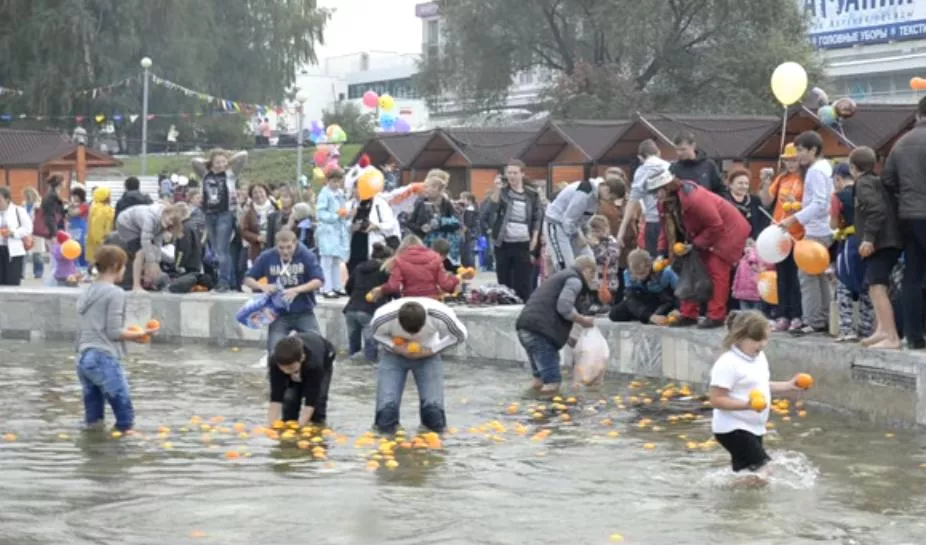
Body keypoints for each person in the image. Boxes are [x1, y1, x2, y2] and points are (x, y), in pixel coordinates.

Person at [649, 166, 750, 329]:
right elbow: (666, 229)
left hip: (729, 231)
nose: (654, 196)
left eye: (656, 191)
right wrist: (661, 253)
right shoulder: (664, 203)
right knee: (690, 269)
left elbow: (716, 225)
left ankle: (716, 316)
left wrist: (694, 244)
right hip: (703, 233)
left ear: (667, 186)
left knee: (716, 270)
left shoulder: (695, 198)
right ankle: (688, 314)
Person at [75, 245, 157, 432]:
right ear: (115, 265)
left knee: (93, 422)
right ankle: (122, 450)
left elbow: (94, 328)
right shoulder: (115, 293)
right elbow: (113, 332)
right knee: (125, 419)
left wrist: (133, 334)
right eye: (124, 265)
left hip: (83, 358)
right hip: (103, 357)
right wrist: (142, 334)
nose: (125, 270)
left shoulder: (87, 291)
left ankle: (94, 447)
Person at [709, 311, 802, 476]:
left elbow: (761, 386)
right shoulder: (728, 363)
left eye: (765, 338)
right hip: (733, 428)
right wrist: (747, 405)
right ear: (739, 338)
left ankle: (725, 490)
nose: (763, 344)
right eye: (757, 340)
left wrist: (788, 385)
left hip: (754, 427)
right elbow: (716, 399)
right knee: (765, 470)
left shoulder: (759, 358)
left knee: (747, 474)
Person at [369, 297, 468, 433]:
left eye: (416, 331)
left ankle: (431, 437)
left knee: (433, 412)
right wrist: (395, 347)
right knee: (386, 411)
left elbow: (460, 335)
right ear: (398, 320)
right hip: (394, 355)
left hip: (428, 355)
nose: (412, 335)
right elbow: (375, 334)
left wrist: (431, 350)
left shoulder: (440, 315)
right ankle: (386, 434)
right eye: (407, 331)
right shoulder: (383, 317)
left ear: (425, 320)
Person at [516, 254, 597, 394]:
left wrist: (572, 339)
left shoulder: (559, 277)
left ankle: (529, 403)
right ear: (587, 270)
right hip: (540, 333)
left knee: (539, 379)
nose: (593, 279)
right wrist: (583, 320)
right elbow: (564, 308)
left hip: (525, 327)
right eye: (593, 275)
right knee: (552, 382)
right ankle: (547, 407)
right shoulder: (575, 280)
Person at [881, 96, 926, 350]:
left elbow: (887, 180)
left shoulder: (901, 143)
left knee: (913, 276)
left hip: (907, 216)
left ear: (918, 114)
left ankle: (914, 335)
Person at [780, 131, 834, 336]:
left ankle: (812, 320)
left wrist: (793, 219)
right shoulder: (825, 167)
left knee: (807, 275)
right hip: (824, 228)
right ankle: (824, 318)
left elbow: (819, 203)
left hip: (817, 230)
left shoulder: (815, 171)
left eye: (801, 150)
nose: (798, 155)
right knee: (819, 275)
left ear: (813, 150)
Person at [852, 146, 903, 349]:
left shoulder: (863, 183)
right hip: (890, 241)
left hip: (881, 243)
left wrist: (868, 238)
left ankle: (891, 336)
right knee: (875, 286)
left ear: (853, 167)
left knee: (877, 286)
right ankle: (882, 329)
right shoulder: (877, 181)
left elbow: (876, 210)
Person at [244, 229, 324, 353]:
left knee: (317, 348)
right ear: (276, 245)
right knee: (274, 351)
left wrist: (297, 290)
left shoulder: (306, 255)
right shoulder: (267, 256)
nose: (285, 252)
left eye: (289, 247)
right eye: (281, 248)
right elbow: (247, 279)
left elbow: (318, 280)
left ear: (295, 243)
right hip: (278, 314)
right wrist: (262, 286)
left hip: (304, 311)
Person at [761, 144, 804, 332]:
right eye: (787, 160)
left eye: (793, 160)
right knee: (782, 276)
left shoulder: (805, 178)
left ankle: (797, 314)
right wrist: (765, 182)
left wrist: (797, 204)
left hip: (798, 234)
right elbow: (766, 201)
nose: (790, 163)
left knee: (795, 277)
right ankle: (782, 315)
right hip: (779, 233)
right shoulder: (781, 178)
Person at [485, 160, 543, 302]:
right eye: (509, 173)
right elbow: (491, 210)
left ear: (522, 174)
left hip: (523, 241)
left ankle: (522, 305)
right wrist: (497, 189)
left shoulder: (532, 194)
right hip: (503, 241)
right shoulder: (502, 192)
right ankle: (505, 304)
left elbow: (537, 217)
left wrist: (535, 237)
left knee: (523, 281)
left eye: (515, 173)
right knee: (504, 280)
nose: (512, 176)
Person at [192, 148, 249, 292]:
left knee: (222, 249)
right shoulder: (205, 175)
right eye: (217, 162)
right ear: (212, 163)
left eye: (223, 162)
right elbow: (194, 161)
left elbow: (244, 155)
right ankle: (222, 280)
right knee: (216, 249)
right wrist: (209, 161)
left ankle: (224, 281)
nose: (220, 165)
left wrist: (228, 160)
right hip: (209, 214)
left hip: (225, 214)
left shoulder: (230, 174)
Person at [544, 177, 624, 272]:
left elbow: (583, 220)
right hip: (557, 225)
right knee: (566, 266)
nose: (609, 201)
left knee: (589, 264)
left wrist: (587, 235)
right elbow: (568, 220)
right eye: (611, 198)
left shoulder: (596, 197)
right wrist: (579, 236)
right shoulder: (584, 193)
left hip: (573, 228)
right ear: (607, 189)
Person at [830, 162, 873, 343]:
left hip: (849, 243)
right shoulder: (865, 192)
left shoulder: (837, 197)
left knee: (844, 283)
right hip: (867, 240)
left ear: (838, 179)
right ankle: (866, 328)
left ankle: (847, 329)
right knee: (866, 284)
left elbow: (833, 223)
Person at [114, 202, 189, 291]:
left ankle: (148, 279)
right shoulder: (150, 217)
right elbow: (145, 240)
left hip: (137, 226)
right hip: (125, 224)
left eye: (173, 222)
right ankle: (136, 286)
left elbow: (158, 243)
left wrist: (157, 261)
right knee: (141, 253)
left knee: (151, 253)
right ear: (166, 212)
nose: (170, 222)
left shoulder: (162, 221)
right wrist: (151, 262)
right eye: (170, 219)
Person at [266, 332, 335, 427]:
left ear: (302, 358)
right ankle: (289, 421)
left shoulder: (315, 365)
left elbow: (310, 403)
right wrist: (269, 426)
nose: (286, 372)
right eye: (283, 369)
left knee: (318, 401)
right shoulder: (275, 361)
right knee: (290, 399)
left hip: (324, 358)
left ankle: (319, 425)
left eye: (290, 368)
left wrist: (299, 429)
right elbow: (275, 399)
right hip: (297, 359)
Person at [619, 139, 670, 255]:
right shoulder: (669, 166)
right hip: (671, 220)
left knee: (653, 260)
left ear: (640, 157)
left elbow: (632, 201)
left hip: (653, 222)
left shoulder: (642, 171)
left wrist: (622, 230)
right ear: (659, 152)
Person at [343, 242, 393, 361]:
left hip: (351, 309)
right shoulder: (385, 271)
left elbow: (348, 287)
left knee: (353, 349)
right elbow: (391, 290)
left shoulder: (359, 267)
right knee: (370, 350)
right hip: (370, 310)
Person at [371, 235, 460, 300]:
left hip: (410, 302)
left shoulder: (399, 259)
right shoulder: (435, 257)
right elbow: (445, 285)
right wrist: (455, 280)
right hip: (431, 300)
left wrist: (381, 290)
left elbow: (393, 286)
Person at [609, 249, 678, 324]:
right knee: (614, 313)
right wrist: (649, 316)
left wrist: (677, 309)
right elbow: (630, 298)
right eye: (636, 274)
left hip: (661, 300)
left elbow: (679, 293)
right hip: (642, 300)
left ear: (649, 265)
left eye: (642, 273)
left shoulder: (666, 272)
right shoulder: (627, 274)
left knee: (668, 307)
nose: (639, 277)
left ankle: (651, 315)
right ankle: (645, 316)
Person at [407, 175, 463, 264]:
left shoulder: (446, 204)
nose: (425, 190)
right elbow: (410, 223)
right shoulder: (420, 203)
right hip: (425, 245)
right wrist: (421, 228)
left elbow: (457, 223)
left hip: (443, 247)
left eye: (428, 187)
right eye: (425, 187)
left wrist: (440, 223)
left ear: (439, 190)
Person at [315, 169, 350, 298]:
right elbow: (320, 213)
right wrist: (336, 215)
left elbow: (342, 209)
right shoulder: (324, 194)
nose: (336, 184)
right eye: (334, 181)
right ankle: (326, 288)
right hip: (327, 230)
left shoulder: (340, 194)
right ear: (328, 181)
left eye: (338, 182)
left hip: (338, 230)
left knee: (336, 259)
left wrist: (345, 215)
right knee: (327, 260)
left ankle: (337, 286)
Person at [587, 214, 621, 311]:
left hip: (608, 281)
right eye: (593, 231)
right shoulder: (590, 242)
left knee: (606, 304)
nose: (595, 234)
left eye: (598, 231)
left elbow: (608, 259)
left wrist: (596, 247)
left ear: (606, 229)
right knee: (593, 303)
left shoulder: (612, 242)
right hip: (594, 281)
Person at [724, 169, 769, 241]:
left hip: (753, 243)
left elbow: (763, 222)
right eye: (740, 183)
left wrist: (755, 238)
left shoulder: (755, 200)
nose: (744, 186)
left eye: (746, 183)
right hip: (730, 242)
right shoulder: (723, 201)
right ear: (731, 185)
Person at [239, 183, 278, 267]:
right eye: (255, 193)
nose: (258, 195)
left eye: (261, 192)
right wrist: (257, 238)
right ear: (251, 196)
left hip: (275, 246)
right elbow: (243, 231)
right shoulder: (248, 211)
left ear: (266, 193)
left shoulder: (275, 207)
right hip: (257, 248)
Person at [0, 187, 33, 285]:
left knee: (12, 282)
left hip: (14, 251)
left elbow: (28, 228)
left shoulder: (19, 210)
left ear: (7, 199)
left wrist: (13, 233)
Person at [86, 187, 115, 269]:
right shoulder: (100, 210)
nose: (110, 198)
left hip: (99, 242)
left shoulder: (96, 207)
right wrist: (101, 241)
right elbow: (97, 228)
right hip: (101, 242)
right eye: (109, 195)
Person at [22, 187, 45, 280]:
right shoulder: (23, 205)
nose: (27, 197)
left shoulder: (39, 205)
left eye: (28, 195)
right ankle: (21, 273)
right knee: (23, 253)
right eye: (26, 195)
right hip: (26, 232)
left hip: (36, 232)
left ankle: (38, 272)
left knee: (37, 254)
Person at [459, 191, 479, 269]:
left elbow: (467, 223)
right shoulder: (470, 208)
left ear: (469, 200)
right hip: (470, 233)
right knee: (467, 251)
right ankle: (468, 267)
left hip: (469, 234)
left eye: (463, 198)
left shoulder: (470, 209)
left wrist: (462, 232)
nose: (461, 200)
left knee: (468, 252)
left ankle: (470, 268)